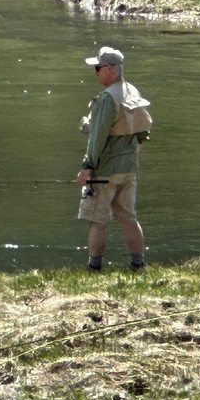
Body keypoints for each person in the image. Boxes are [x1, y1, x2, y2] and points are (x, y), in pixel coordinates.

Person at [76, 46, 147, 271]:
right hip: (129, 168)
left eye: (97, 68)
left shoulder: (107, 98)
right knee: (129, 217)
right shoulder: (132, 91)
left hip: (105, 170)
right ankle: (137, 264)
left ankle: (94, 267)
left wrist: (87, 167)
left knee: (97, 219)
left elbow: (96, 139)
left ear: (109, 70)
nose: (95, 72)